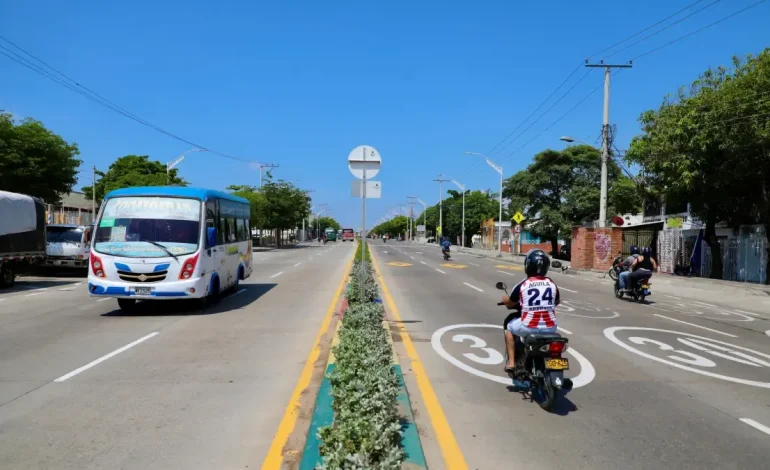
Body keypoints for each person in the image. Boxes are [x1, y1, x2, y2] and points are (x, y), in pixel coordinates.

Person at [500, 249, 560, 373]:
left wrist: (505, 300)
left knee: (509, 327)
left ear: (527, 265)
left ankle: (511, 362)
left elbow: (510, 303)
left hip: (529, 326)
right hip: (551, 327)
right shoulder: (551, 283)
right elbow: (556, 301)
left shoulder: (523, 284)